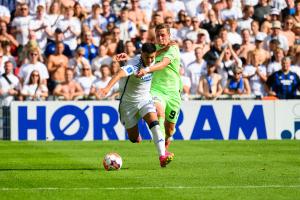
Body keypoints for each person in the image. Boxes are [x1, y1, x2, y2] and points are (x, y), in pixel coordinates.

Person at [100, 43, 174, 167]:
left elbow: (162, 53)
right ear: (141, 54)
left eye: (152, 57)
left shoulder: (153, 59)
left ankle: (162, 156)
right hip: (128, 104)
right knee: (134, 138)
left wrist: (170, 45)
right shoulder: (133, 65)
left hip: (145, 99)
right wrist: (107, 88)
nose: (150, 60)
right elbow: (119, 74)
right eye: (147, 57)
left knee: (155, 124)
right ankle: (137, 136)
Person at [135, 23, 182, 150]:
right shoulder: (154, 49)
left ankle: (167, 138)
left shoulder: (173, 48)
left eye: (163, 35)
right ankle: (162, 151)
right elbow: (142, 58)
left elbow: (163, 64)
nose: (160, 38)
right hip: (156, 89)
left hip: (173, 92)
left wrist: (147, 69)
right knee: (158, 112)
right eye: (158, 36)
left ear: (169, 35)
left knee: (170, 128)